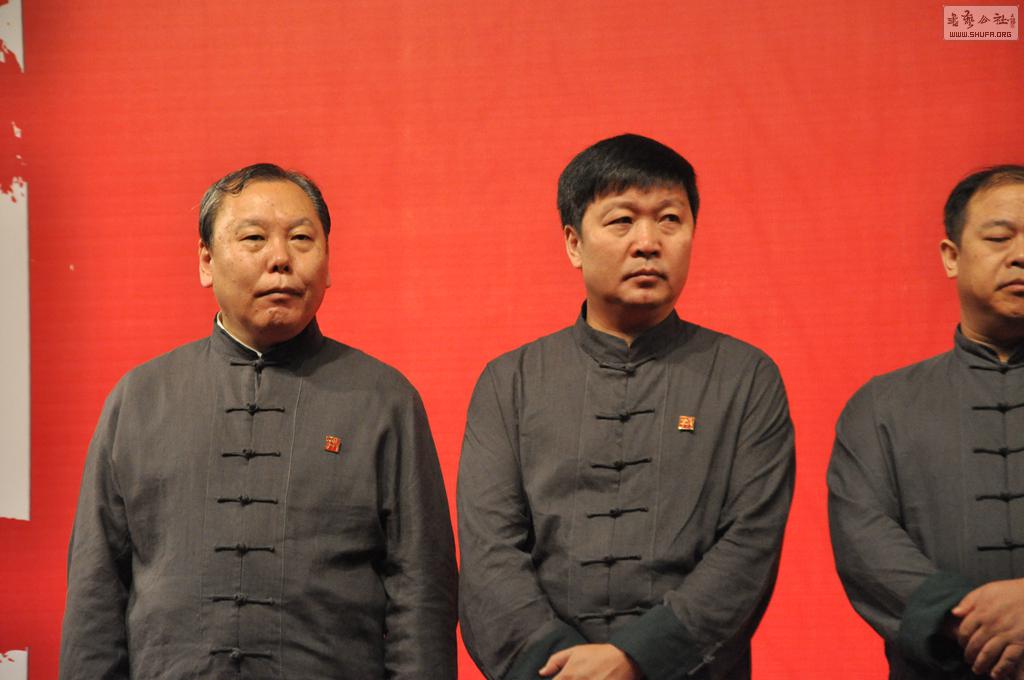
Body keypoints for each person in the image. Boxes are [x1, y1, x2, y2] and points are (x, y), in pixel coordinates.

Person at [58, 163, 457, 679]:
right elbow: (95, 592)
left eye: (301, 238)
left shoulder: (383, 399)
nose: (281, 259)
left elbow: (422, 591)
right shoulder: (139, 399)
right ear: (206, 261)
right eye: (254, 238)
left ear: (328, 263)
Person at [457, 134, 796, 680]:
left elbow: (748, 549)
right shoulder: (510, 383)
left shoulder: (746, 379)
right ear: (574, 243)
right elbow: (488, 554)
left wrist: (636, 659)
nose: (648, 243)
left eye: (670, 219)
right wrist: (560, 666)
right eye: (622, 221)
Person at [829, 165, 1024, 680]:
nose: (1021, 255)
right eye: (1000, 237)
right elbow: (865, 544)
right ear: (951, 256)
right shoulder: (882, 406)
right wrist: (971, 623)